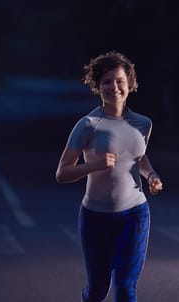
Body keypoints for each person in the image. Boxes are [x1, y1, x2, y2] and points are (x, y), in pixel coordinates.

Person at [56, 51, 163, 302]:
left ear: (130, 85)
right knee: (97, 291)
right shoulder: (88, 124)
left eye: (120, 81)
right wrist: (92, 165)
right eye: (107, 81)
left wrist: (152, 175)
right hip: (95, 216)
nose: (114, 87)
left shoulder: (143, 123)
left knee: (126, 289)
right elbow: (62, 173)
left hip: (135, 213)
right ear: (97, 86)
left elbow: (139, 157)